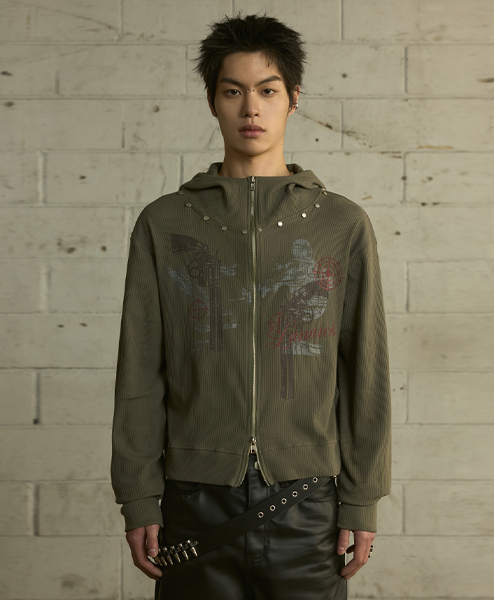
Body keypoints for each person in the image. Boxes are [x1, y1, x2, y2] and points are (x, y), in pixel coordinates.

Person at [111, 11, 392, 600]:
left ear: (294, 98)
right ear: (212, 102)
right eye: (233, 91)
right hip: (194, 499)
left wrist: (361, 498)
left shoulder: (341, 224)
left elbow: (364, 373)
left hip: (308, 503)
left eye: (267, 91)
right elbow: (140, 371)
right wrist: (138, 496)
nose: (251, 109)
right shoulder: (165, 223)